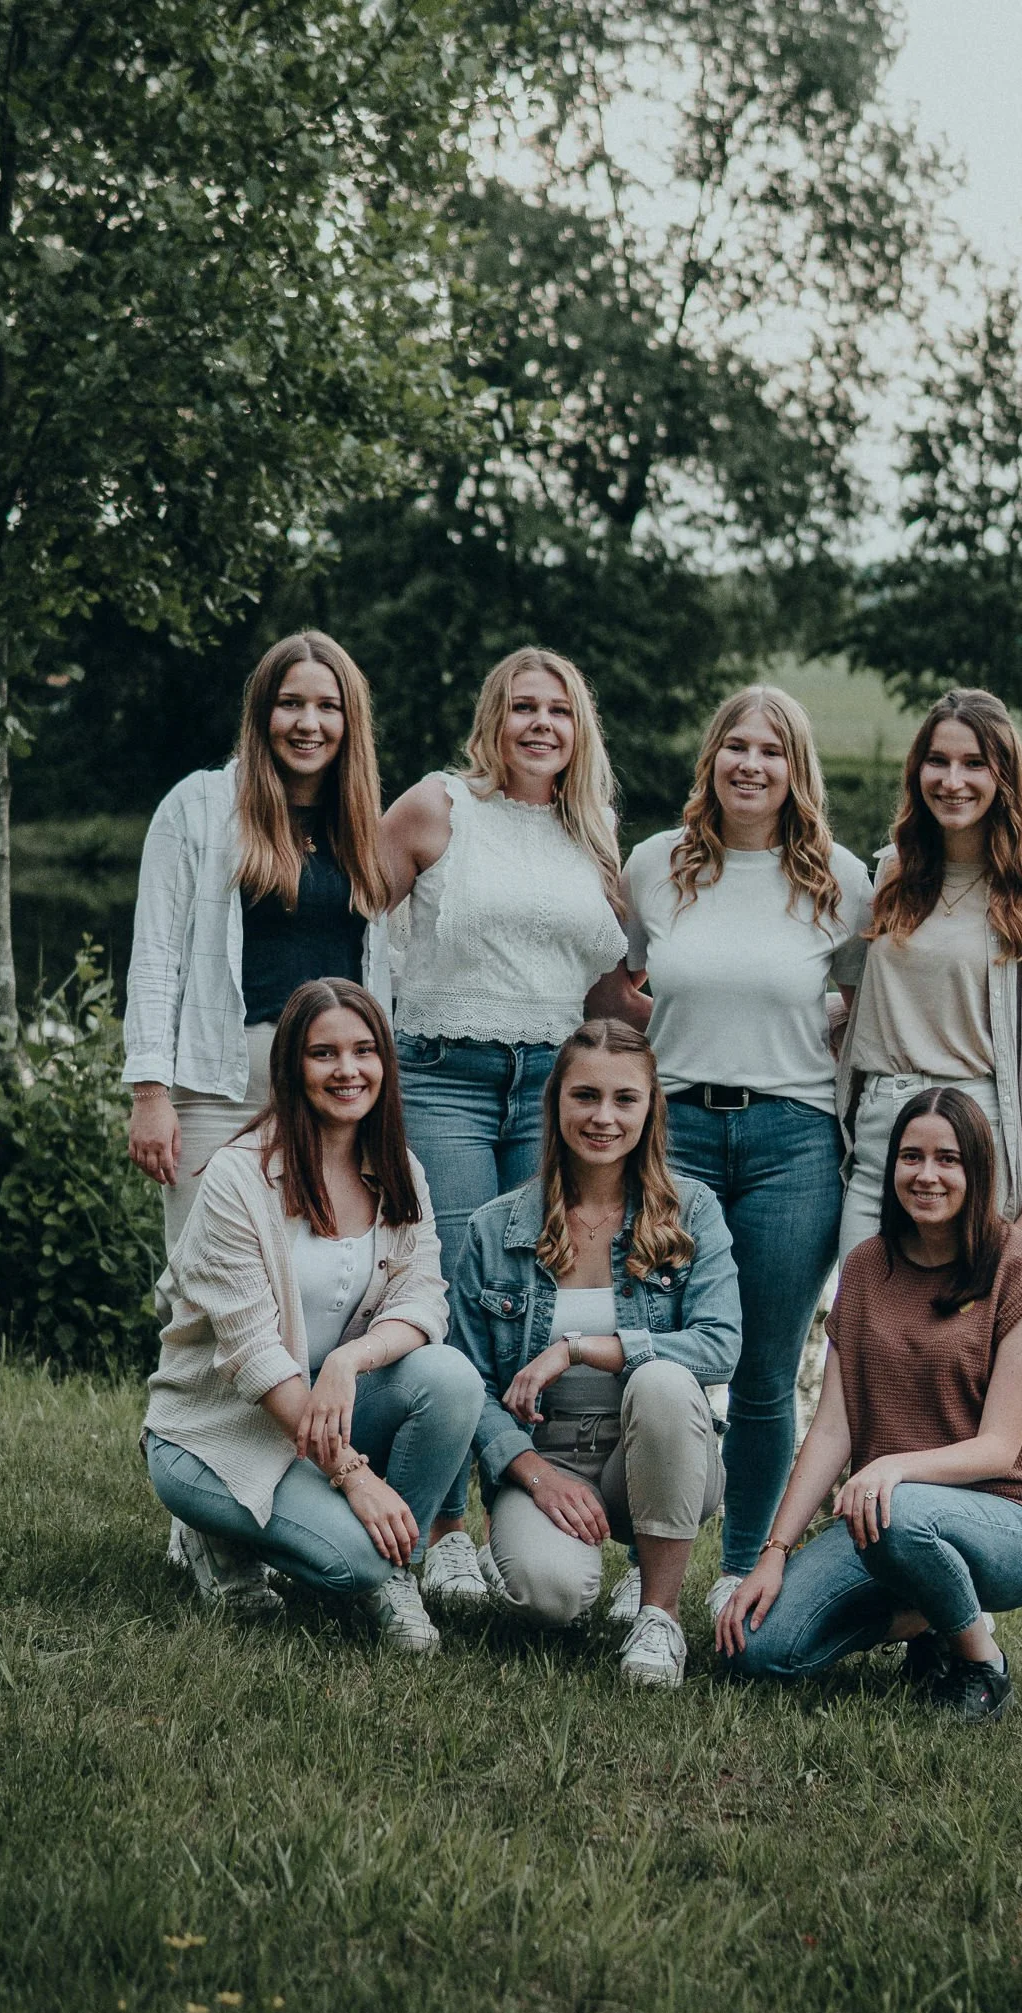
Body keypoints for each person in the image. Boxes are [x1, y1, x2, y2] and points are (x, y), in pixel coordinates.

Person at [616, 686, 873, 1624]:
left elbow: (863, 1007)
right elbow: (617, 983)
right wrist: (662, 1046)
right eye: (736, 747)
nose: (752, 765)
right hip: (673, 1135)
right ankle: (649, 1568)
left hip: (791, 1142)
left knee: (763, 1371)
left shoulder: (842, 880)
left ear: (796, 770)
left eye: (772, 751)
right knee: (661, 1358)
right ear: (712, 760)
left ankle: (738, 1571)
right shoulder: (656, 865)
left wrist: (801, 1030)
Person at [379, 648, 630, 1604]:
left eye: (558, 711)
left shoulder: (592, 834)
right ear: (494, 718)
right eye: (523, 707)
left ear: (578, 729)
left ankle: (510, 1513)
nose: (540, 725)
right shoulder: (438, 806)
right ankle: (443, 1528)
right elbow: (356, 928)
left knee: (527, 1296)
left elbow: (606, 991)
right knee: (450, 1288)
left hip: (552, 1091)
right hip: (443, 1075)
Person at [143, 979, 483, 1652]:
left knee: (451, 1380)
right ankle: (220, 1534)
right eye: (324, 1053)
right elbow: (255, 1358)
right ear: (293, 1066)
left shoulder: (399, 1170)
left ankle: (397, 1574)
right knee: (351, 1562)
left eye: (364, 1051)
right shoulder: (238, 1179)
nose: (347, 1070)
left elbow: (422, 1298)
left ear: (385, 1061)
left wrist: (351, 1361)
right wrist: (354, 1477)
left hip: (324, 1415)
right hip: (220, 1433)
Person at [715, 1088, 1022, 1722]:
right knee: (754, 1647)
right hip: (887, 1521)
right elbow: (832, 1430)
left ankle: (980, 1661)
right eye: (912, 1157)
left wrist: (893, 1468)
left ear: (978, 1169)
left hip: (1013, 1521)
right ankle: (926, 1616)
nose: (926, 1175)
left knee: (900, 1511)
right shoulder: (865, 1268)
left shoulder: (1021, 1271)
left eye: (947, 1159)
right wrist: (774, 1553)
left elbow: (998, 1448)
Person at [449, 1020, 741, 1687]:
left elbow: (719, 1346)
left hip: (654, 1449)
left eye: (624, 1099)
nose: (603, 1117)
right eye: (585, 1095)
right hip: (546, 1452)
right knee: (549, 1597)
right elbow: (469, 1379)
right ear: (556, 1101)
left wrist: (580, 1350)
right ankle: (522, 1545)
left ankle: (659, 1616)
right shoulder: (495, 1227)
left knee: (663, 1380)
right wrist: (530, 1472)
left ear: (650, 1108)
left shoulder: (692, 1212)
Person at [124, 631, 393, 1252]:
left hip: (337, 1091)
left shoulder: (363, 826)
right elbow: (155, 957)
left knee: (319, 1274)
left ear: (350, 721)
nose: (308, 723)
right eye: (289, 703)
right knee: (205, 1275)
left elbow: (391, 969)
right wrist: (150, 1092)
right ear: (261, 713)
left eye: (327, 707)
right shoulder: (198, 806)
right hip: (221, 1091)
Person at [835, 687, 1022, 1265]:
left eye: (974, 763)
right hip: (883, 1138)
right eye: (939, 761)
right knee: (859, 1311)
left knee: (968, 1319)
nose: (952, 781)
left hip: (979, 1140)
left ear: (1005, 777)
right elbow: (871, 1005)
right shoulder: (892, 873)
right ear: (917, 771)